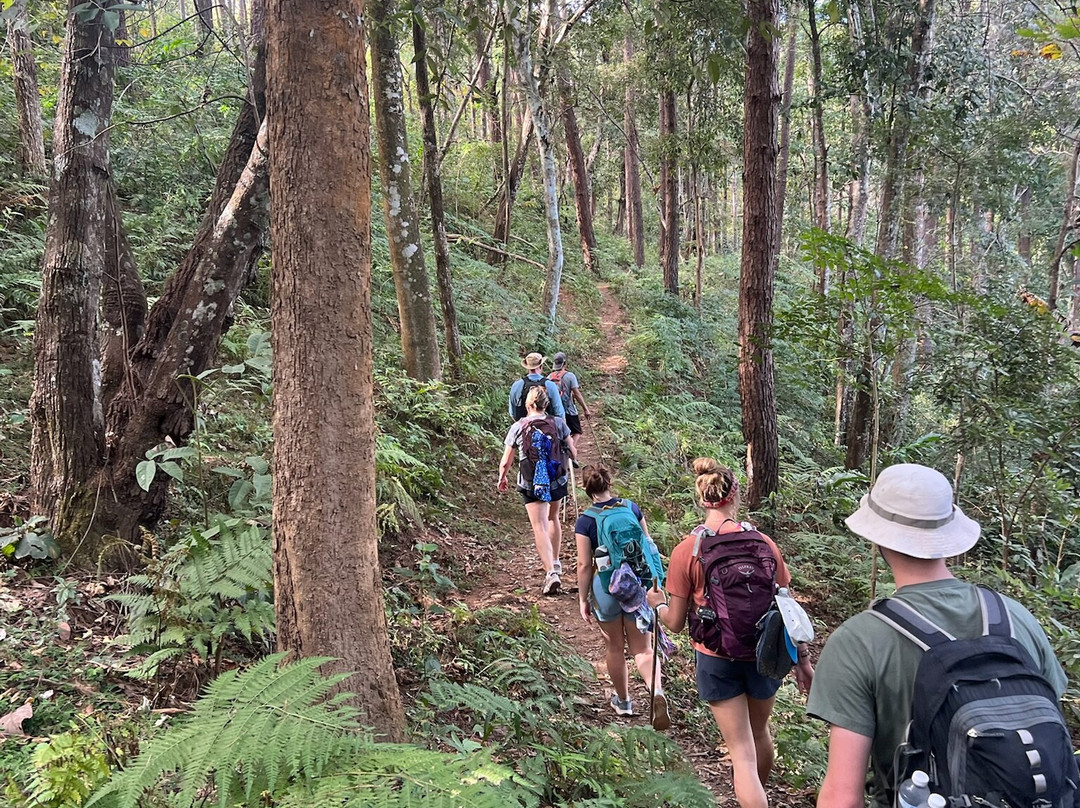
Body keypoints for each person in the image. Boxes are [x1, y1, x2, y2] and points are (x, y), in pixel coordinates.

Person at [808, 463, 1070, 808]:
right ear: (948, 533)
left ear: (876, 537)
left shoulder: (857, 641)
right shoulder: (1016, 616)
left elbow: (842, 797)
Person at [646, 458, 813, 808]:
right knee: (760, 734)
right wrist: (803, 660)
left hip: (716, 658)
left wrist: (657, 603)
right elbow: (787, 605)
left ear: (700, 499)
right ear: (735, 496)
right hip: (765, 655)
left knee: (741, 754)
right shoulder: (763, 543)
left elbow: (674, 623)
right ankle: (756, 794)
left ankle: (751, 797)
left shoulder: (686, 552)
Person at [575, 464, 670, 730]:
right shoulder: (631, 508)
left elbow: (584, 565)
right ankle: (656, 691)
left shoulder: (585, 521)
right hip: (637, 585)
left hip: (607, 589)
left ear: (587, 489)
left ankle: (624, 701)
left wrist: (583, 599)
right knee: (643, 649)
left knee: (614, 647)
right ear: (609, 482)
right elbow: (648, 544)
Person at [498, 386, 577, 595]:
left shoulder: (518, 427)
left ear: (527, 404)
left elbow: (506, 460)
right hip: (555, 480)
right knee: (553, 518)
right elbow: (573, 452)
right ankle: (557, 562)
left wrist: (502, 477)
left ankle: (551, 572)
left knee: (539, 525)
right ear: (547, 404)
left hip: (531, 482)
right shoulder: (558, 423)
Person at [508, 352, 564, 421]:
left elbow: (513, 414)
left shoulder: (516, 386)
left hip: (525, 428)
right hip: (548, 428)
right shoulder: (550, 385)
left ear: (528, 367)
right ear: (541, 366)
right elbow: (559, 414)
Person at [548, 352, 590, 438]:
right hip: (569, 410)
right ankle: (571, 450)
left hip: (554, 412)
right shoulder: (570, 376)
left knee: (557, 435)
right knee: (577, 432)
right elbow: (577, 393)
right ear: (565, 363)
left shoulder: (549, 377)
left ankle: (562, 450)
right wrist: (586, 409)